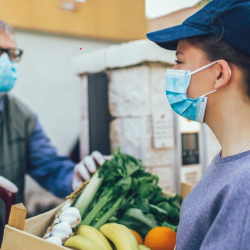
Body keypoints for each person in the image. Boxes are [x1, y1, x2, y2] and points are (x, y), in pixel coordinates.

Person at [147, 0, 250, 249]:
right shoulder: (230, 161)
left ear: (220, 74)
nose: (173, 70)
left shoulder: (244, 188)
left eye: (180, 61)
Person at [0, 20, 106, 206]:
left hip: (7, 233)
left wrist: (75, 176)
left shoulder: (22, 117)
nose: (6, 61)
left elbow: (49, 167)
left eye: (12, 54)